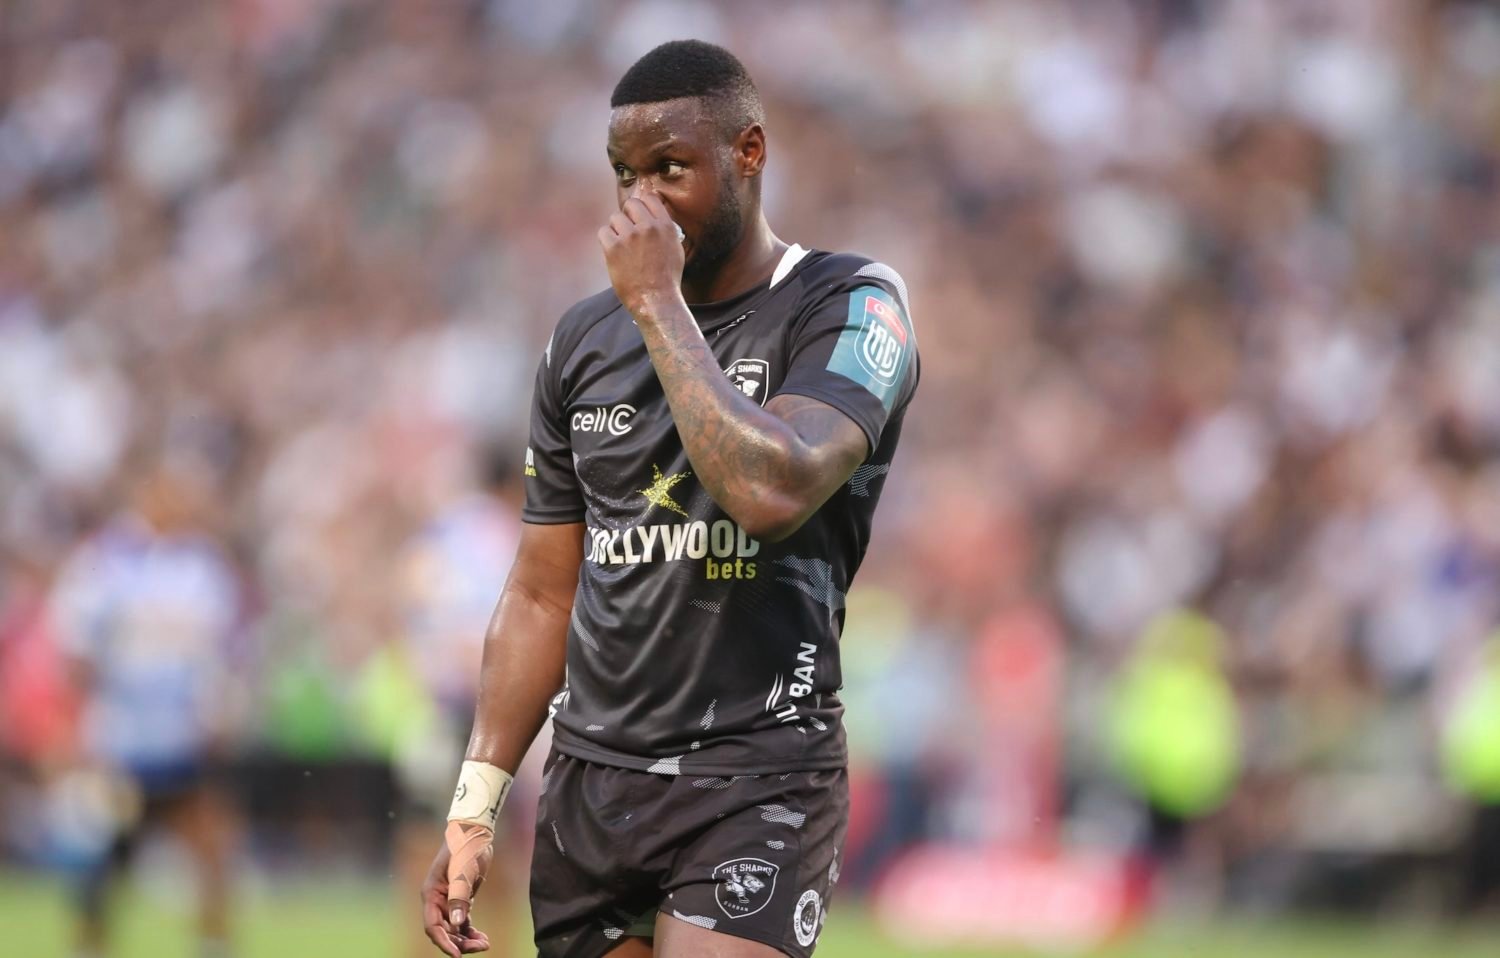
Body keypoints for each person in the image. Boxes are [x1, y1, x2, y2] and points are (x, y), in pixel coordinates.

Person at [420, 40, 920, 958]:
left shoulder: (847, 303)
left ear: (749, 152)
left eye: (670, 168)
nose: (641, 203)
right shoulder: (581, 342)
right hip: (594, 784)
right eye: (625, 175)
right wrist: (475, 805)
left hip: (759, 775)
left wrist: (656, 303)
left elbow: (772, 490)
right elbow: (542, 592)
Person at [49, 460, 243, 958]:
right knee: (105, 857)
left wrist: (216, 709)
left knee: (211, 844)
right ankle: (89, 945)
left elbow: (221, 652)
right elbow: (75, 649)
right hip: (120, 738)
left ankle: (213, 944)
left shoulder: (203, 566)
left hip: (182, 737)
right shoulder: (105, 562)